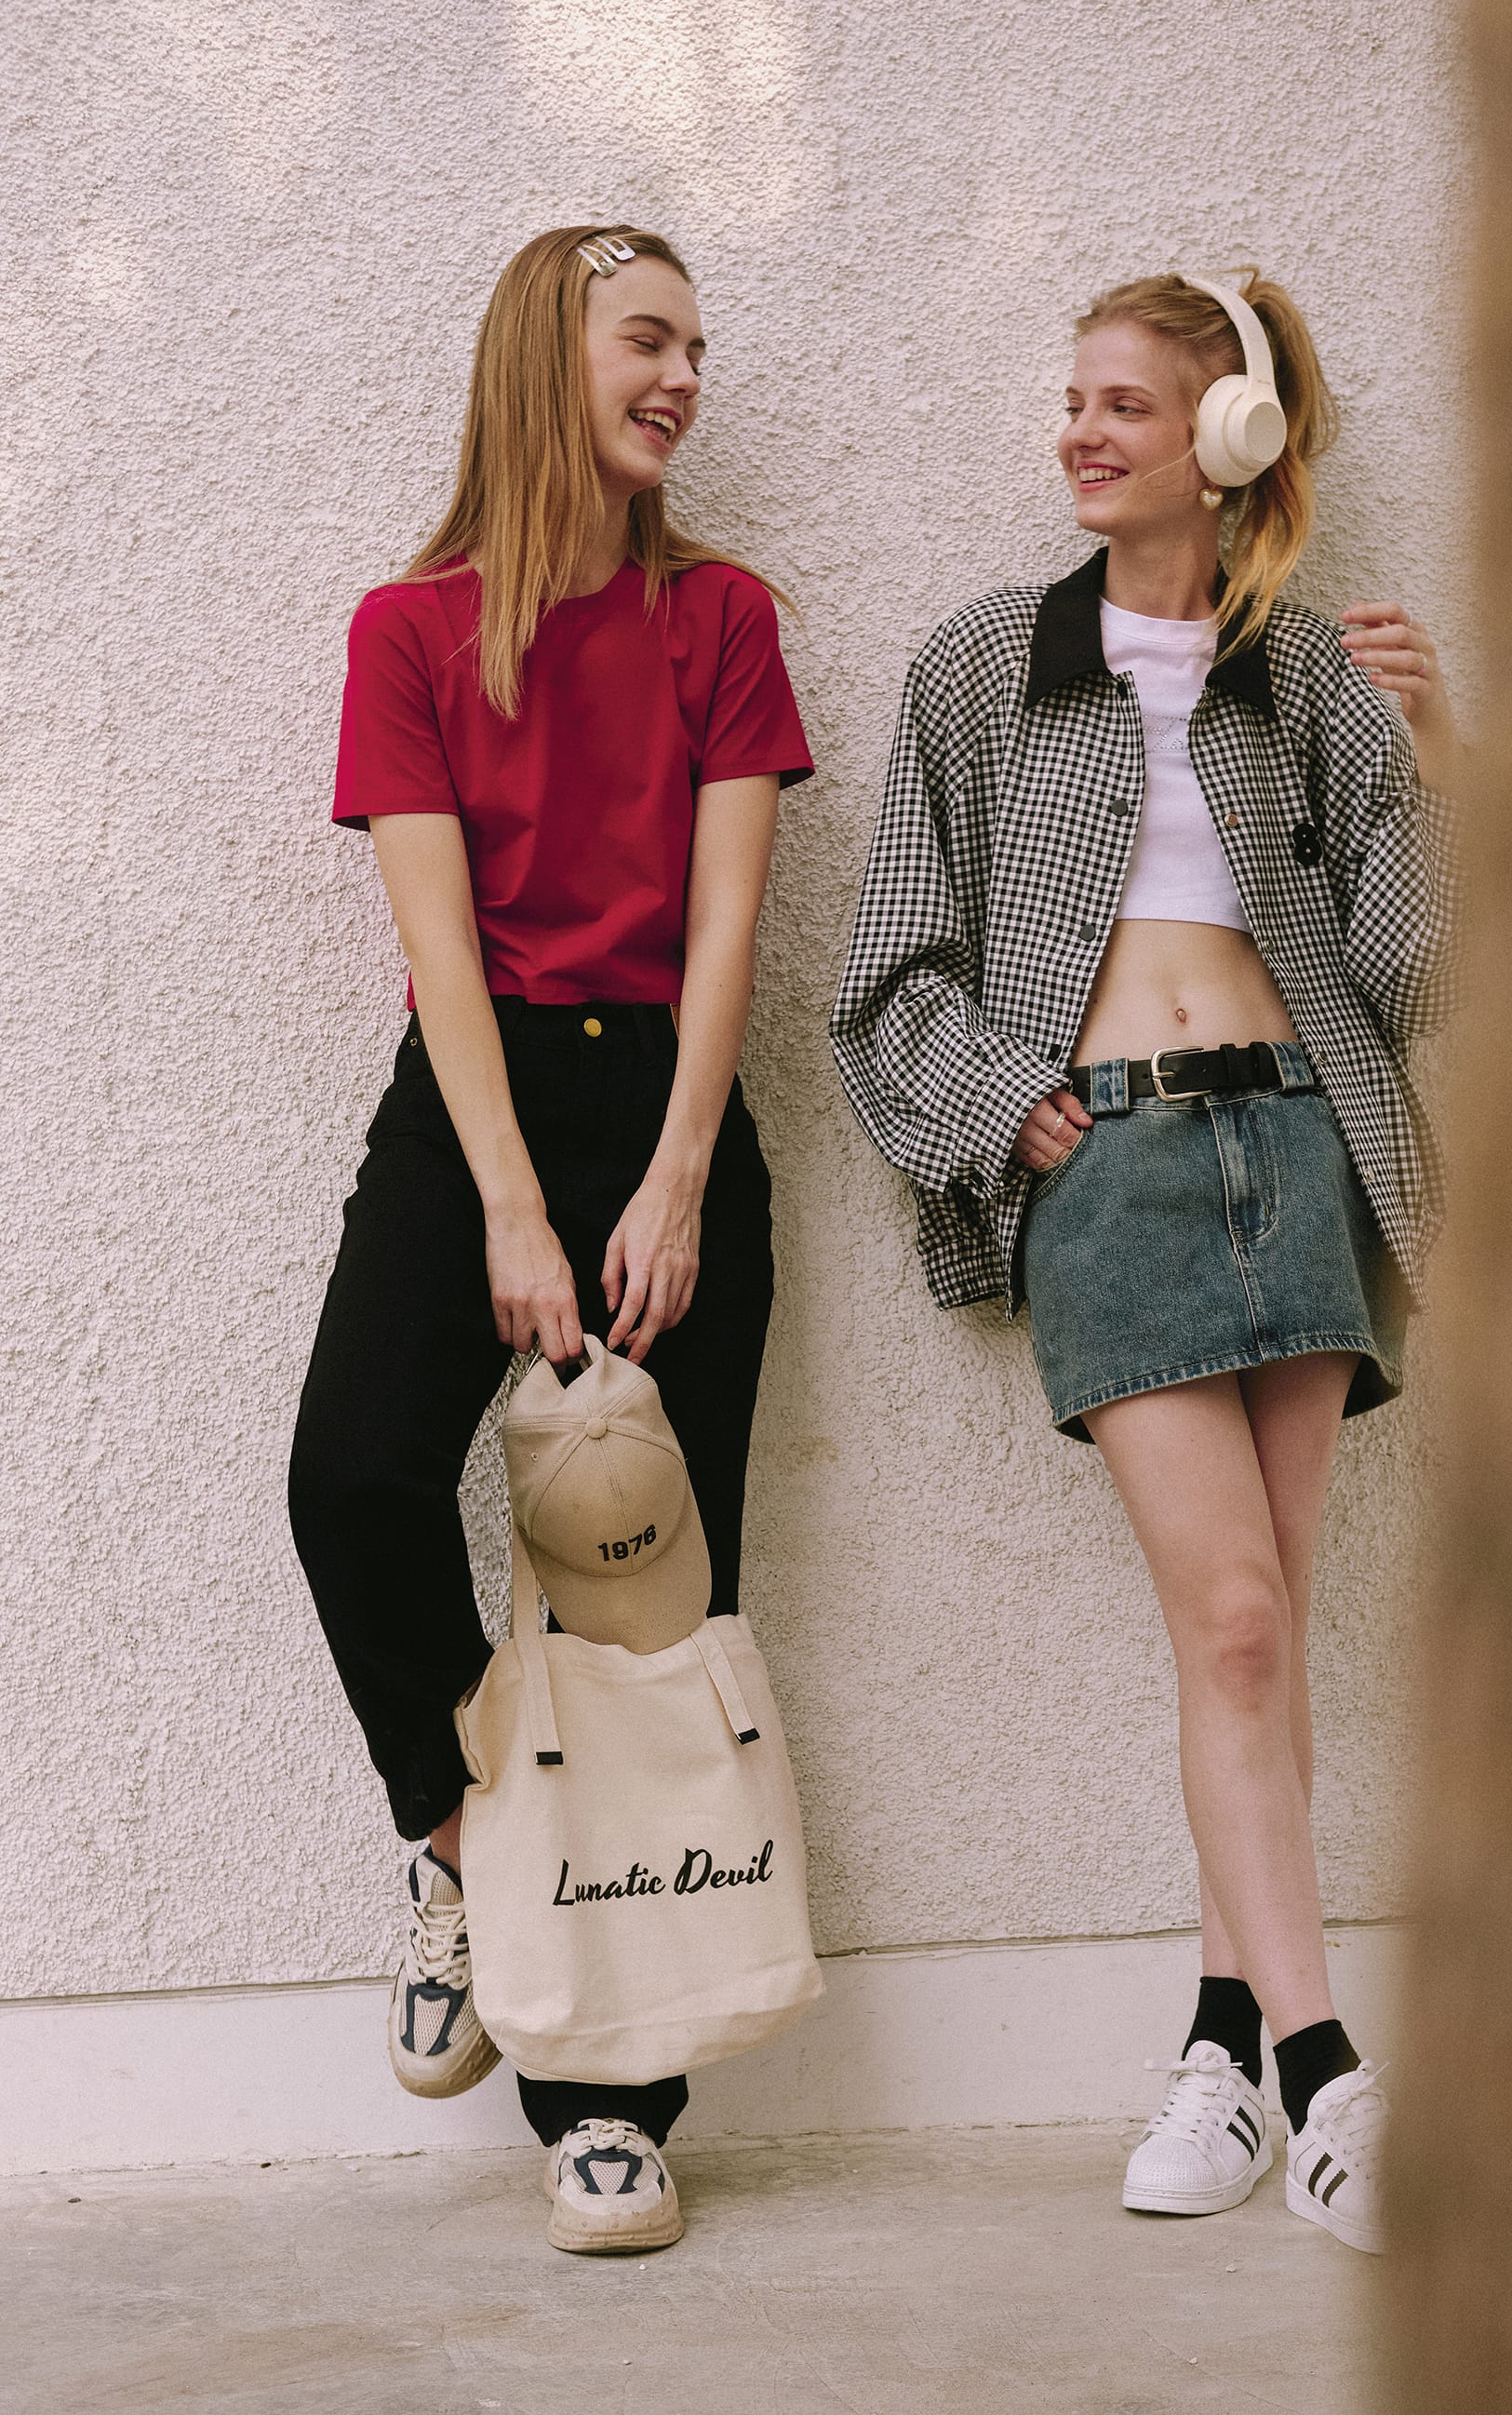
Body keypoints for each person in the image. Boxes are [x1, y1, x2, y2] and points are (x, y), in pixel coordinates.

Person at [831, 267, 1461, 2255]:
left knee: (1247, 1637)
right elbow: (886, 973)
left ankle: (1215, 2051)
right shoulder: (983, 667)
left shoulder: (1315, 676)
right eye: (1075, 399)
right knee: (1241, 1626)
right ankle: (1329, 2073)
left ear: (1227, 438)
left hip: (1304, 1145)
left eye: (1124, 403)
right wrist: (1001, 1104)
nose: (1080, 432)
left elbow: (1414, 976)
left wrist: (1431, 757)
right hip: (1113, 1166)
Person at [289, 224, 811, 2256]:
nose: (682, 378)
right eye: (646, 340)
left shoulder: (723, 618)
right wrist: (510, 1199)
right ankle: (461, 1846)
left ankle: (611, 2110)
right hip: (474, 1099)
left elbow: (730, 921)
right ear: (546, 359)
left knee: (642, 1611)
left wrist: (673, 1178)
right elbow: (436, 947)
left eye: (697, 348)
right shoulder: (409, 632)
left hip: (669, 1101)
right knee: (352, 1479)